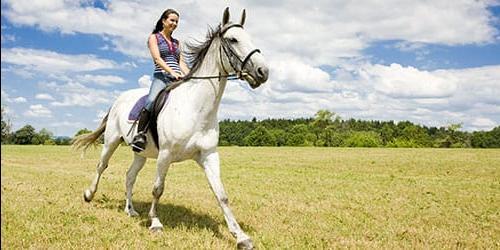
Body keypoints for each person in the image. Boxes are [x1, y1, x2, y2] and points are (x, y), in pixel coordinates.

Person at [131, 8, 190, 152]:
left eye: (177, 21)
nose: (174, 23)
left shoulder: (177, 43)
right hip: (161, 77)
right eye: (172, 20)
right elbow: (157, 58)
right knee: (151, 101)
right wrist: (171, 72)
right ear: (164, 21)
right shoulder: (154, 38)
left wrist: (189, 75)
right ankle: (140, 135)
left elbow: (181, 63)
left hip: (177, 79)